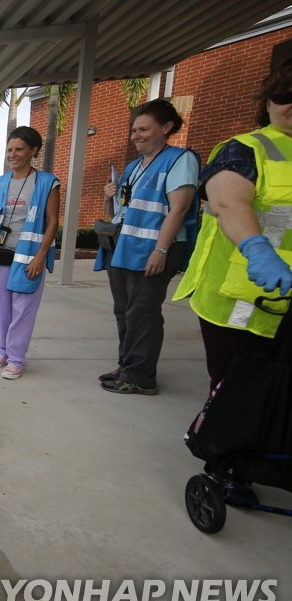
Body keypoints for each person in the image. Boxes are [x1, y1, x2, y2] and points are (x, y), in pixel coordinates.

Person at [174, 62, 292, 392]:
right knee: (240, 397)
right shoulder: (248, 149)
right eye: (286, 95)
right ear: (268, 102)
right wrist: (258, 250)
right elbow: (227, 201)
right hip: (246, 302)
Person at [96, 99, 200, 395]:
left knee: (143, 313)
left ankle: (140, 377)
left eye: (143, 129)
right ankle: (127, 365)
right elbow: (120, 210)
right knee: (124, 311)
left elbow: (178, 209)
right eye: (133, 130)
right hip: (125, 247)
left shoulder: (180, 160)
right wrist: (108, 196)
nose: (136, 135)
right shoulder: (133, 166)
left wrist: (162, 250)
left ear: (166, 128)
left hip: (154, 250)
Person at [0, 126, 60, 379]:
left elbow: (52, 221)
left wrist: (41, 255)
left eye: (19, 149)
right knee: (1, 307)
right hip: (0, 255)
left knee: (23, 309)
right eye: (9, 149)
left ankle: (17, 359)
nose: (12, 154)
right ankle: (2, 351)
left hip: (29, 257)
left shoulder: (48, 182)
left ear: (33, 151)